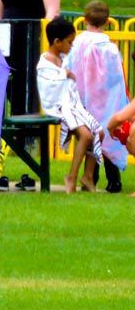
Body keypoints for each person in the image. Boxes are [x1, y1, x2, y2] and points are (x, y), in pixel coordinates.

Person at [65, 0, 129, 193]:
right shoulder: (108, 48)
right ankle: (111, 179)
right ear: (108, 22)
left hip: (81, 96)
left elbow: (69, 68)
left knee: (89, 134)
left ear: (84, 20)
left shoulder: (76, 44)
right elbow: (115, 78)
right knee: (108, 133)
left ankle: (91, 176)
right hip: (104, 98)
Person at [37, 17, 104, 194]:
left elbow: (70, 86)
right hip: (58, 107)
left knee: (99, 132)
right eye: (69, 42)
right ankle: (71, 177)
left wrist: (65, 74)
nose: (71, 46)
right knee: (86, 136)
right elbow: (48, 88)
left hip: (72, 106)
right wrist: (63, 74)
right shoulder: (45, 63)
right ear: (57, 42)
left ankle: (87, 176)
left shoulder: (62, 59)